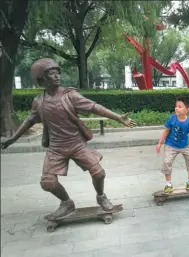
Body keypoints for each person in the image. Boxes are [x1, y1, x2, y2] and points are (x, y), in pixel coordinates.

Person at [0, 58, 137, 219]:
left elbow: (94, 107)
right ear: (42, 80)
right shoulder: (38, 101)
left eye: (58, 73)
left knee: (99, 173)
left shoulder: (70, 95)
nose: (57, 76)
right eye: (52, 74)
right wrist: (13, 139)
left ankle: (101, 196)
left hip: (77, 143)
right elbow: (30, 120)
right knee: (47, 183)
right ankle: (66, 203)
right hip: (56, 148)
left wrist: (117, 117)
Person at [155, 96, 189, 193]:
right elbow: (166, 131)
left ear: (187, 109)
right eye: (176, 106)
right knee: (167, 162)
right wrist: (159, 143)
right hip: (170, 145)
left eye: (180, 106)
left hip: (185, 146)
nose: (176, 108)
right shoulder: (172, 119)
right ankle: (168, 185)